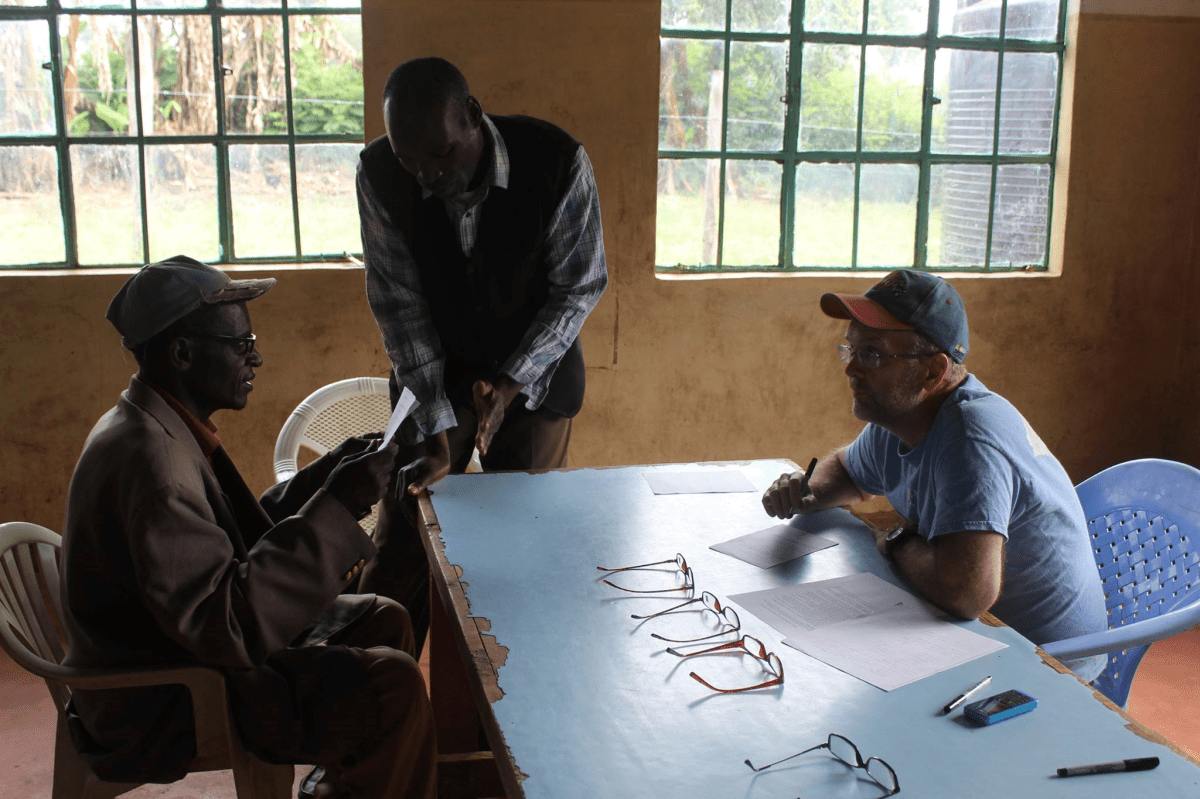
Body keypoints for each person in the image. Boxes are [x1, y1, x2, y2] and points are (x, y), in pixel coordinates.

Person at [60, 256, 436, 799]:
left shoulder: (158, 422)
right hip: (162, 698)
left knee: (383, 617)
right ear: (183, 353)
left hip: (180, 654)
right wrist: (340, 505)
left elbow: (232, 533)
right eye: (241, 344)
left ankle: (347, 784)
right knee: (392, 685)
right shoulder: (153, 465)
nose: (255, 357)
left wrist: (329, 477)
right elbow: (228, 626)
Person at [356, 56, 608, 649]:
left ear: (471, 115)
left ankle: (520, 679)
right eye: (410, 161)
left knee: (522, 534)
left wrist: (512, 383)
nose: (426, 176)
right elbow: (400, 307)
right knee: (403, 536)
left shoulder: (557, 161)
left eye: (440, 154)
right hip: (432, 373)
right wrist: (436, 428)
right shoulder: (379, 173)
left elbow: (578, 287)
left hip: (537, 376)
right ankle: (370, 677)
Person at [761, 270, 1107, 682]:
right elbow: (848, 472)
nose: (851, 368)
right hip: (978, 636)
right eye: (850, 349)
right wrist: (806, 491)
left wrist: (895, 539)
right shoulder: (903, 415)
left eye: (872, 354)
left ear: (932, 371)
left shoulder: (969, 437)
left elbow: (966, 594)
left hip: (1048, 668)